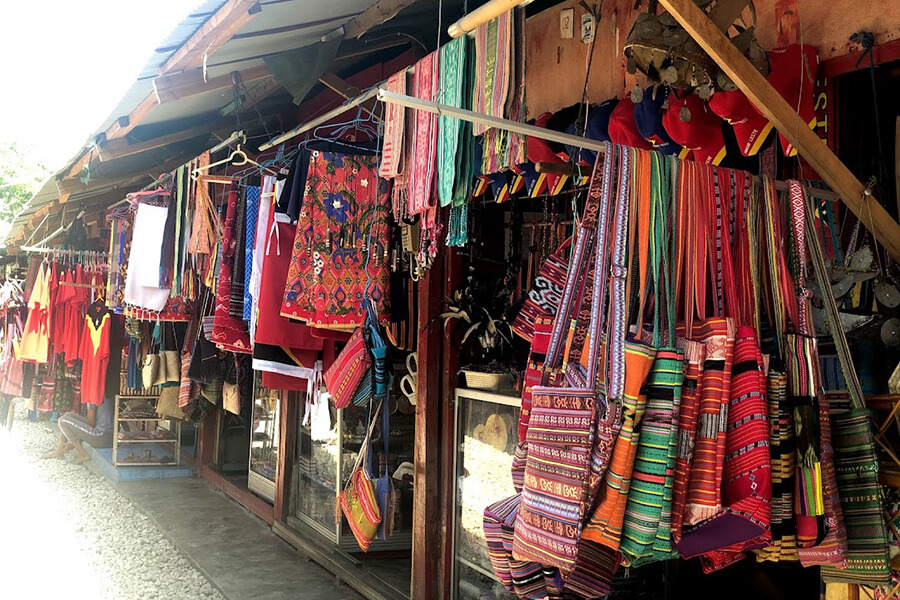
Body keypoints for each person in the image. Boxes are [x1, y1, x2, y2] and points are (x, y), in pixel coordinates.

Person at [42, 395, 114, 463]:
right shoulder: (104, 394)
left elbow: (90, 423)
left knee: (63, 421)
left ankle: (83, 454)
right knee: (67, 415)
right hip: (110, 437)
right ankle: (58, 451)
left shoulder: (93, 396)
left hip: (102, 437)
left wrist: (73, 441)